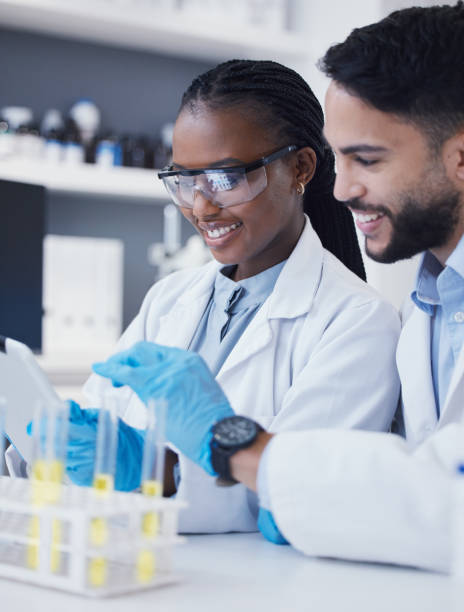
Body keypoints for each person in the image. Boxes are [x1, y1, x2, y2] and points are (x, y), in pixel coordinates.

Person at [94, 2, 464, 571]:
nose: (340, 190)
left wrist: (230, 446)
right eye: (341, 159)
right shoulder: (430, 311)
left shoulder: (364, 319)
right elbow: (402, 495)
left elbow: (437, 506)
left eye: (365, 159)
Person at [62, 59, 399, 534]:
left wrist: (160, 472)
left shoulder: (359, 322)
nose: (201, 206)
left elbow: (300, 496)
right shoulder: (168, 299)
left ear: (300, 167)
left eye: (226, 177)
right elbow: (96, 431)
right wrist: (52, 442)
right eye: (185, 180)